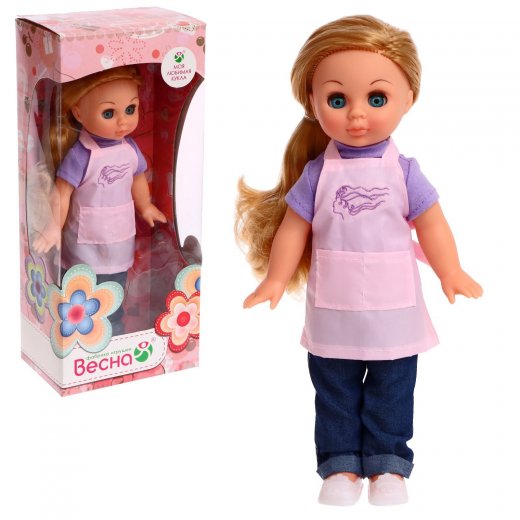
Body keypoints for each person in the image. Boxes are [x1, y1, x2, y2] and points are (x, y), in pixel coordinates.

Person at [236, 15, 482, 506]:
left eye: (376, 98)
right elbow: (293, 229)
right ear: (312, 101)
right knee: (334, 390)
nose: (356, 115)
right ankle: (340, 465)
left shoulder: (405, 172)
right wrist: (275, 278)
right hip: (334, 308)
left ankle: (389, 463)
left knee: (394, 387)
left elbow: (432, 225)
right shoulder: (315, 174)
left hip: (394, 309)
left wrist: (450, 271)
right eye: (337, 100)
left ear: (408, 98)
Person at [33, 66, 166, 335]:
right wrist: (53, 226)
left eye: (131, 109)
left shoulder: (130, 149)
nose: (123, 122)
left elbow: (138, 178)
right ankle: (80, 338)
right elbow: (62, 193)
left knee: (114, 293)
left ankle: (113, 334)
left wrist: (145, 206)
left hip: (119, 240)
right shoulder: (81, 154)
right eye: (109, 113)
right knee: (80, 295)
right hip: (84, 244)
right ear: (79, 113)